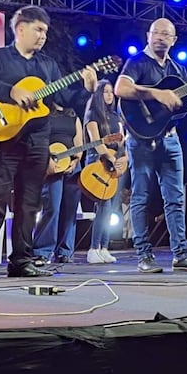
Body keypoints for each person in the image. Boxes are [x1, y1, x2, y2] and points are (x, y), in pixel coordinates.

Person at [0, 5, 97, 279]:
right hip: (4, 140)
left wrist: (86, 91)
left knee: (30, 205)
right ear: (20, 28)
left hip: (38, 141)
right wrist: (11, 91)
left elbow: (64, 100)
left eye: (46, 32)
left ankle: (21, 261)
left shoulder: (48, 65)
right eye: (38, 30)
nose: (43, 36)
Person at [114, 18, 187, 273]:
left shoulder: (178, 69)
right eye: (156, 32)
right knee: (141, 197)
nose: (159, 37)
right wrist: (155, 93)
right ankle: (144, 255)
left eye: (165, 34)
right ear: (148, 35)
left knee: (176, 199)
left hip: (170, 138)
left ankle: (181, 254)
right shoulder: (137, 62)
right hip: (141, 140)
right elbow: (120, 88)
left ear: (173, 40)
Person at [32, 102, 83, 265]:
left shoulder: (73, 115)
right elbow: (39, 139)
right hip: (52, 165)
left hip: (72, 166)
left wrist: (76, 161)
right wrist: (47, 159)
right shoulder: (44, 112)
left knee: (70, 210)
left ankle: (64, 251)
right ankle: (42, 251)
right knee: (52, 207)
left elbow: (79, 143)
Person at [83, 79, 127, 265]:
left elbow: (122, 142)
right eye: (105, 92)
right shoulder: (93, 114)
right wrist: (109, 156)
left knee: (111, 207)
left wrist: (122, 159)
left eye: (111, 92)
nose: (109, 95)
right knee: (104, 206)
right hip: (98, 162)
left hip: (116, 164)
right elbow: (96, 142)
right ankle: (94, 248)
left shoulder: (117, 117)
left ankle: (104, 248)